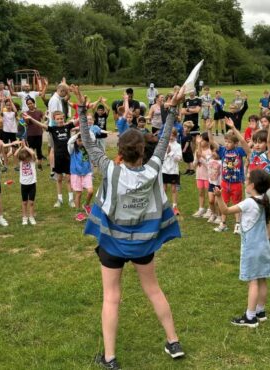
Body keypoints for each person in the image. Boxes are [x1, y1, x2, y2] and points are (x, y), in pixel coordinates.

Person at [70, 84, 185, 368]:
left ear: (120, 151)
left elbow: (87, 139)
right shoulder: (153, 167)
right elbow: (163, 140)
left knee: (111, 297)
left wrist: (82, 110)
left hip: (112, 242)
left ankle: (109, 358)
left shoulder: (110, 168)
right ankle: (173, 342)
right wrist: (172, 110)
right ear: (143, 151)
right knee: (154, 290)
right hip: (143, 243)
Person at [214, 169, 270, 327]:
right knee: (262, 278)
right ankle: (260, 312)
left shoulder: (249, 202)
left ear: (252, 185)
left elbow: (225, 211)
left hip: (252, 248)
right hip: (264, 246)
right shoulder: (264, 199)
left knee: (253, 281)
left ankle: (250, 317)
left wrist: (219, 197)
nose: (244, 182)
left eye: (247, 180)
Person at [207, 118, 247, 234]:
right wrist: (209, 130)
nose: (227, 144)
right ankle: (223, 223)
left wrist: (234, 128)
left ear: (235, 143)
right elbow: (211, 141)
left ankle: (238, 224)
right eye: (226, 141)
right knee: (223, 203)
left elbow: (243, 141)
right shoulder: (223, 150)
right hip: (224, 182)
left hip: (236, 183)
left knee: (237, 204)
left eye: (229, 142)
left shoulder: (239, 151)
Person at [67, 132, 93, 222]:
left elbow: (92, 137)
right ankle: (78, 213)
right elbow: (70, 141)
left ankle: (86, 205)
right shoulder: (72, 149)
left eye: (83, 140)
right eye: (79, 140)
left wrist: (85, 133)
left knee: (90, 191)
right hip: (76, 174)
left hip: (87, 172)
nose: (81, 142)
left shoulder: (87, 147)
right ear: (76, 141)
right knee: (78, 194)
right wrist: (78, 133)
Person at [14, 142, 38, 225]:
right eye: (23, 160)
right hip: (23, 184)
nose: (25, 161)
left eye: (26, 159)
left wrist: (26, 147)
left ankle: (31, 217)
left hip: (32, 184)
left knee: (31, 202)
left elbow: (33, 153)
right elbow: (15, 154)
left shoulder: (32, 161)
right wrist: (21, 147)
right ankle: (24, 217)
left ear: (29, 157)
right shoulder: (21, 162)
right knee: (24, 202)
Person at [162, 128, 183, 216]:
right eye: (169, 135)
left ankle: (174, 207)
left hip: (173, 171)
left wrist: (170, 153)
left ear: (176, 136)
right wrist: (166, 153)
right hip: (164, 170)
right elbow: (161, 157)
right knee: (164, 189)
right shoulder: (163, 144)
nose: (171, 137)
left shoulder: (177, 146)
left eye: (173, 135)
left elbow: (179, 159)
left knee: (174, 189)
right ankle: (163, 206)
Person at [193, 134, 212, 218]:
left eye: (202, 140)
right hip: (199, 175)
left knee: (209, 194)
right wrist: (197, 158)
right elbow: (194, 164)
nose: (201, 142)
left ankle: (210, 209)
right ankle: (201, 208)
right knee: (201, 193)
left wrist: (201, 158)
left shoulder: (210, 151)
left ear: (208, 142)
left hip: (208, 176)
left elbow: (210, 165)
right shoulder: (197, 151)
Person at [22, 98, 45, 170]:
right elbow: (26, 123)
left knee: (39, 149)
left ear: (34, 103)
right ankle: (32, 163)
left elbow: (43, 118)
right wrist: (25, 118)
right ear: (27, 105)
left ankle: (39, 164)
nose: (30, 105)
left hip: (39, 133)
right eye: (28, 104)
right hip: (30, 134)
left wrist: (44, 119)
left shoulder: (39, 111)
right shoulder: (26, 113)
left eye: (31, 103)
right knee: (31, 149)